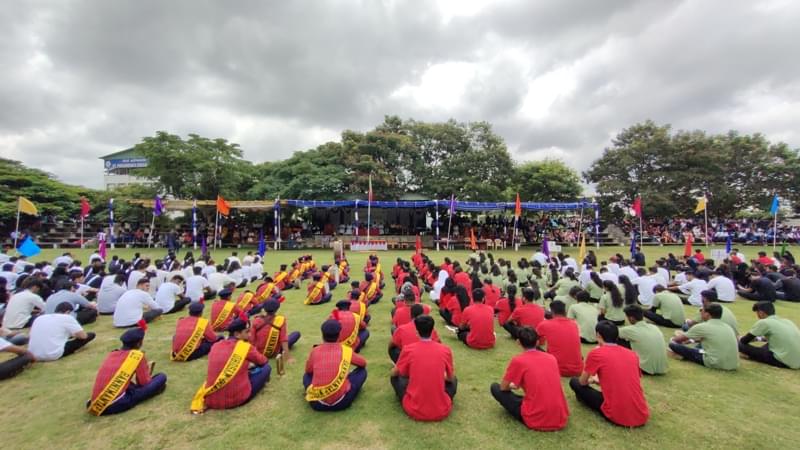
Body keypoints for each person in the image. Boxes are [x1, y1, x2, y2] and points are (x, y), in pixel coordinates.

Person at [569, 321, 650, 427]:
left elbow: (582, 382)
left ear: (598, 335)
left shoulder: (596, 354)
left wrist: (593, 380)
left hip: (618, 415)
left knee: (574, 382)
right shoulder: (632, 354)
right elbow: (625, 379)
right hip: (641, 414)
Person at [490, 326, 569, 431]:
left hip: (536, 419)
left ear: (518, 342)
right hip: (560, 416)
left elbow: (503, 387)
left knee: (495, 387)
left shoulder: (519, 361)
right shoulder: (551, 358)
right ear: (537, 342)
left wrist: (513, 386)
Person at [191, 319, 270, 413]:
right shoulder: (245, 347)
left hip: (210, 400)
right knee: (266, 368)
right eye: (247, 332)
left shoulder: (216, 345)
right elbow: (263, 361)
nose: (249, 335)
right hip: (236, 400)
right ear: (237, 334)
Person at [390, 315, 457, 421]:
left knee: (395, 378)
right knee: (454, 380)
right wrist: (439, 377)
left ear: (416, 331)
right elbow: (450, 378)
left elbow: (394, 373)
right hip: (441, 410)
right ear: (432, 330)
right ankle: (440, 396)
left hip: (414, 409)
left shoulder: (408, 350)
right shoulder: (445, 350)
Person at [87, 328, 167, 415]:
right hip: (117, 404)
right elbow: (144, 383)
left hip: (96, 403)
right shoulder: (137, 356)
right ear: (139, 343)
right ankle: (154, 391)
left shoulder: (112, 354)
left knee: (129, 385)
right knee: (161, 377)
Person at [303, 319, 368, 411]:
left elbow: (308, 371)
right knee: (362, 372)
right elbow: (363, 363)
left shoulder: (315, 350)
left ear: (322, 335)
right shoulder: (346, 350)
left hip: (317, 403)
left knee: (306, 376)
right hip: (342, 402)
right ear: (339, 335)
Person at [669, 303, 739, 371]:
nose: (700, 313)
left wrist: (673, 339)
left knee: (673, 345)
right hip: (733, 364)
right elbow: (711, 338)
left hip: (715, 362)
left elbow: (677, 340)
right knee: (697, 350)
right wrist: (691, 340)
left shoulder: (703, 326)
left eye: (702, 311)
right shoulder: (728, 327)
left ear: (707, 314)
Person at [738, 302, 800, 369]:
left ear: (761, 313)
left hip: (782, 361)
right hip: (797, 360)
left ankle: (751, 356)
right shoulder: (788, 321)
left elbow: (744, 341)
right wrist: (758, 339)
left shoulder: (764, 322)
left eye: (757, 312)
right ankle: (752, 355)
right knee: (768, 345)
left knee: (740, 344)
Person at [29, 302, 96, 361]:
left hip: (33, 354)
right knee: (90, 335)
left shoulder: (39, 318)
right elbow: (83, 336)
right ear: (68, 312)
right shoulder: (67, 318)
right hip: (52, 354)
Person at [536, 300, 583, 377]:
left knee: (533, 347)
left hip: (557, 368)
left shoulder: (545, 324)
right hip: (578, 370)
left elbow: (533, 341)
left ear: (551, 312)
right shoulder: (574, 324)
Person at [619, 305, 668, 375]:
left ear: (631, 318)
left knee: (615, 339)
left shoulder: (630, 330)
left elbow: (612, 333)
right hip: (662, 368)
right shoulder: (654, 327)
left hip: (644, 368)